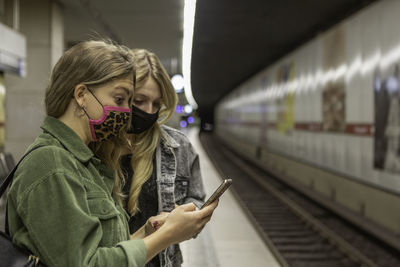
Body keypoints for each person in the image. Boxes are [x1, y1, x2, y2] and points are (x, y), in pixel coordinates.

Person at [7, 40, 217, 267]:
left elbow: (106, 250)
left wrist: (147, 232)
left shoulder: (84, 162)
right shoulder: (52, 164)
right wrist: (166, 236)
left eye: (129, 101)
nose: (127, 112)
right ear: (81, 95)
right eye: (120, 99)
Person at [121, 49, 206, 267]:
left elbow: (195, 199)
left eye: (156, 104)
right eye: (139, 101)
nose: (149, 111)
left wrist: (186, 217)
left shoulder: (178, 147)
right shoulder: (97, 147)